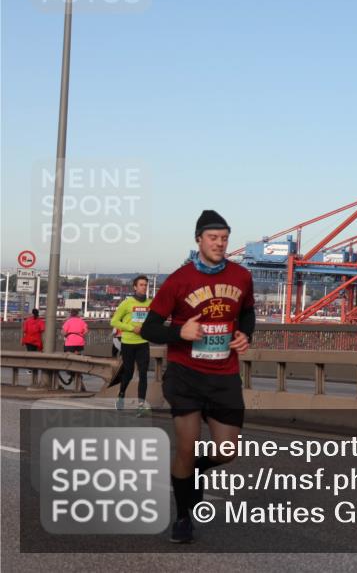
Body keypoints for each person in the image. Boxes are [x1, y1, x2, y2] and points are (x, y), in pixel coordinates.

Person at [142, 210, 256, 544]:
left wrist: (245, 335)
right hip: (186, 375)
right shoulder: (179, 280)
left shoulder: (241, 276)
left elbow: (247, 313)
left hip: (224, 375)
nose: (219, 244)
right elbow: (150, 328)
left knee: (227, 451)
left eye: (224, 239)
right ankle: (183, 517)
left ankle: (194, 472)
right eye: (213, 238)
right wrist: (180, 331)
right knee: (186, 447)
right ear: (198, 240)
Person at [110, 275, 154, 415]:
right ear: (135, 287)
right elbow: (114, 322)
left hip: (143, 343)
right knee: (128, 373)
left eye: (146, 285)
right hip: (128, 343)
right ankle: (121, 395)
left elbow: (153, 321)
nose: (144, 287)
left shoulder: (150, 303)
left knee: (143, 374)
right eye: (141, 285)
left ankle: (141, 404)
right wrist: (131, 328)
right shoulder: (127, 303)